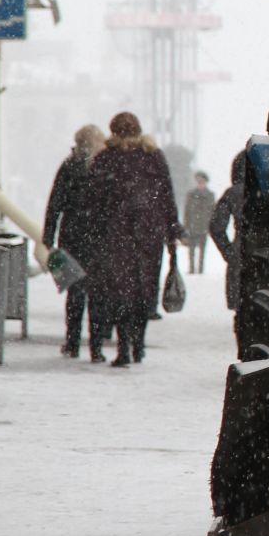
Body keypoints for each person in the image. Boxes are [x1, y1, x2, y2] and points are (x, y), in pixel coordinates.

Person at [86, 112, 183, 368]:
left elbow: (95, 201)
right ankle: (138, 345)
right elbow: (167, 196)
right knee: (144, 290)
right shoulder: (154, 156)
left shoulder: (106, 158)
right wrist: (172, 231)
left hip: (116, 234)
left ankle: (123, 347)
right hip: (150, 233)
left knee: (120, 292)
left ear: (113, 131)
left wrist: (94, 233)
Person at [44, 124, 108, 358]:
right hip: (99, 237)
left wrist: (48, 235)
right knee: (98, 294)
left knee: (75, 291)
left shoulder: (69, 165)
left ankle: (72, 342)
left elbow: (55, 201)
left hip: (72, 234)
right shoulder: (104, 167)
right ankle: (97, 346)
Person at [209, 154, 243, 315]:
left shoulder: (233, 193)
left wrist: (229, 253)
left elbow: (216, 227)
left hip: (241, 252)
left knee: (242, 310)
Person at [183, 172, 215, 274]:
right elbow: (187, 211)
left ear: (206, 182)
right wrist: (186, 226)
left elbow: (213, 212)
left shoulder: (210, 196)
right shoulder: (191, 195)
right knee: (191, 250)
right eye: (199, 181)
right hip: (192, 226)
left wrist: (212, 226)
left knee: (202, 251)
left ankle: (200, 269)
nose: (200, 183)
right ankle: (191, 269)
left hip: (204, 227)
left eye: (202, 182)